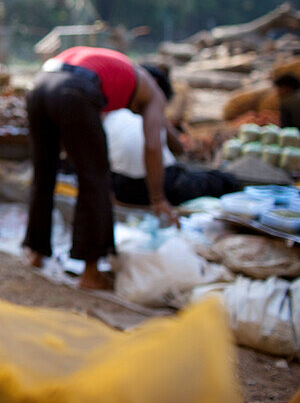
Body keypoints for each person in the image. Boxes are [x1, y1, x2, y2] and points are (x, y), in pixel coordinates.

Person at [23, 46, 179, 290]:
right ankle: (91, 272)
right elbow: (153, 144)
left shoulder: (117, 72)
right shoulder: (154, 93)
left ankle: (36, 252)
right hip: (74, 89)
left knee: (44, 172)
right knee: (95, 180)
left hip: (39, 84)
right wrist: (158, 198)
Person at [107, 65, 240, 206]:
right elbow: (174, 148)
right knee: (226, 180)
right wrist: (158, 199)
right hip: (162, 185)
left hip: (120, 187)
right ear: (155, 85)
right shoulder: (149, 104)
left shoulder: (112, 108)